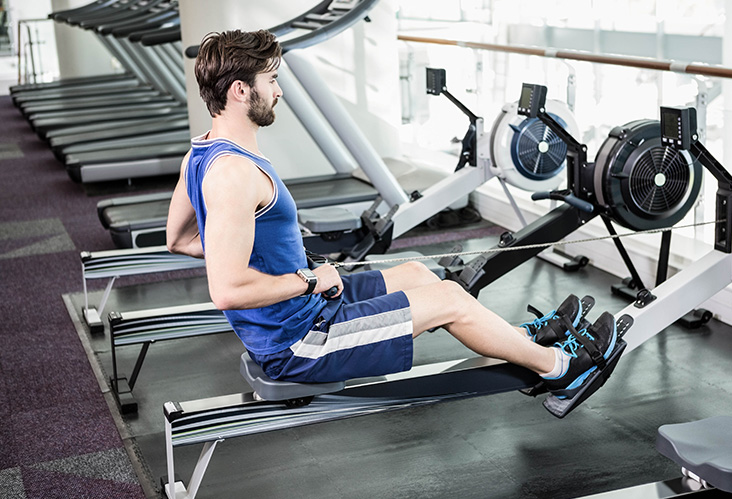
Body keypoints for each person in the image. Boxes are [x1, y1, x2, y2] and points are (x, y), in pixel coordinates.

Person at [166, 29, 617, 399]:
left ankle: (521, 340)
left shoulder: (201, 153)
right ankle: (561, 368)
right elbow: (227, 291)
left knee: (419, 273)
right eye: (271, 80)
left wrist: (254, 258)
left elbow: (179, 240)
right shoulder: (233, 173)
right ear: (241, 90)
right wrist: (306, 280)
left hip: (305, 307)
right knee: (450, 300)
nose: (279, 90)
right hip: (300, 341)